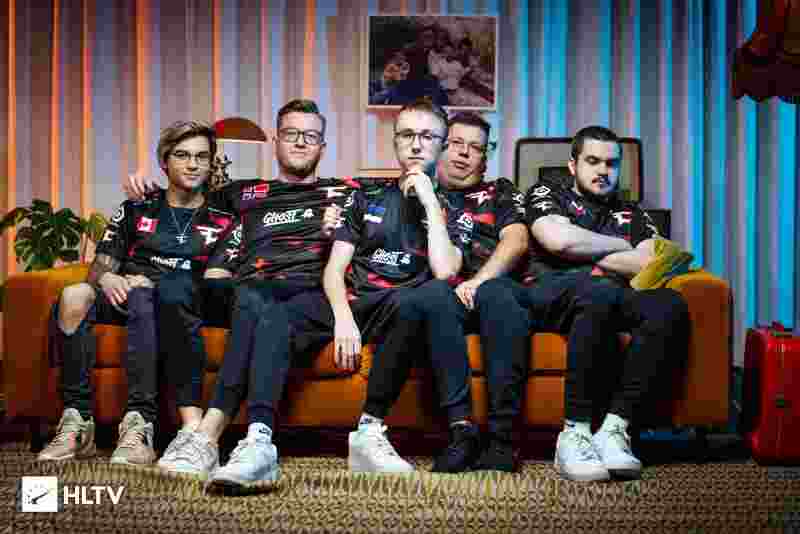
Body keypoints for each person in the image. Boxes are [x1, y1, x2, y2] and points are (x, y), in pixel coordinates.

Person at [125, 100, 354, 487]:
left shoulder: (345, 193)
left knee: (255, 298)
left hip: (303, 293)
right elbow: (184, 194)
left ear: (323, 146)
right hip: (245, 288)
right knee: (182, 286)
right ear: (276, 141)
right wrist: (146, 191)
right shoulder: (242, 192)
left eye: (311, 136)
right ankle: (195, 426)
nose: (300, 142)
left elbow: (402, 194)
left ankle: (208, 436)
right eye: (291, 134)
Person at [479, 125, 690, 481]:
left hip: (611, 297)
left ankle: (613, 429)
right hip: (549, 293)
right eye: (593, 161)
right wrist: (621, 245)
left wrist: (583, 247)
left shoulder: (633, 212)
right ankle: (574, 432)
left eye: (611, 163)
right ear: (573, 165)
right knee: (600, 290)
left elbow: (649, 261)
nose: (603, 170)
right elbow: (558, 240)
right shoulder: (547, 192)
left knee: (669, 304)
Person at [38, 121, 237, 465]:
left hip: (172, 304)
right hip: (123, 294)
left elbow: (213, 288)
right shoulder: (136, 207)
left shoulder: (223, 218)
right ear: (164, 162)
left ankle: (139, 426)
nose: (193, 164)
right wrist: (106, 279)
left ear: (211, 163)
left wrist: (149, 283)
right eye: (182, 155)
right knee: (74, 295)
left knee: (144, 296)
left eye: (201, 157)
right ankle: (77, 422)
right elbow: (99, 267)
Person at [432, 111, 530, 472]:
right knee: (433, 296)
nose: (464, 153)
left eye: (475, 147)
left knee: (496, 295)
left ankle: (503, 440)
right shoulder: (423, 194)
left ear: (485, 158)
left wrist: (479, 281)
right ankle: (461, 435)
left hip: (493, 291)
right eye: (456, 143)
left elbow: (517, 240)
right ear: (440, 147)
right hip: (443, 294)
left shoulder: (499, 191)